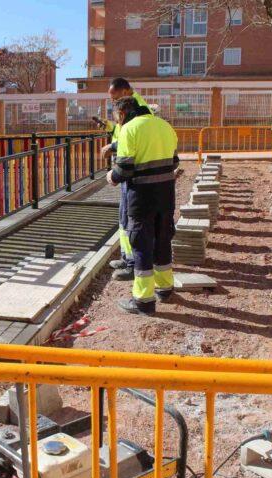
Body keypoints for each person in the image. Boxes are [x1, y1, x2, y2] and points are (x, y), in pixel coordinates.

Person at [107, 96, 178, 315]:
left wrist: (112, 176)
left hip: (141, 197)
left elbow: (124, 169)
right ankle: (165, 288)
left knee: (141, 245)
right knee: (162, 240)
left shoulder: (129, 129)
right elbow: (174, 161)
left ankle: (143, 300)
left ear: (122, 113)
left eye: (116, 117)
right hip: (166, 195)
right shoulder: (166, 126)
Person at [99, 78, 150, 281]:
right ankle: (127, 257)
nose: (114, 103)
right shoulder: (131, 108)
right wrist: (111, 128)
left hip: (131, 170)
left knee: (130, 217)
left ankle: (132, 262)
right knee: (124, 216)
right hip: (126, 164)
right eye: (112, 100)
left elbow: (134, 136)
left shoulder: (138, 108)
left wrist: (111, 147)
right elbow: (124, 131)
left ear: (127, 91)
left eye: (116, 98)